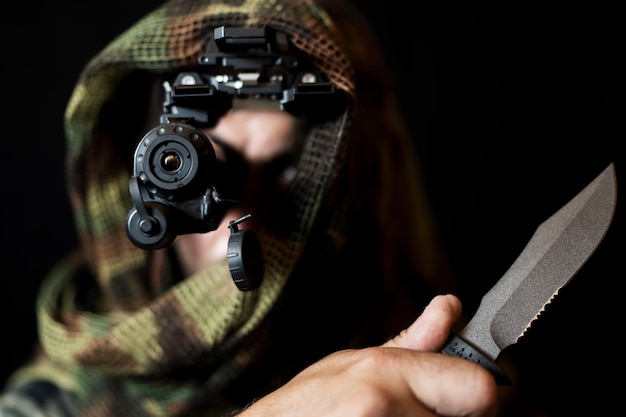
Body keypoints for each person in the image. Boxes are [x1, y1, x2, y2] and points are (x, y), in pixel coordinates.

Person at [0, 0, 506, 416]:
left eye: (291, 172)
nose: (240, 225)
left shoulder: (448, 346)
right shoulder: (52, 402)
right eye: (205, 168)